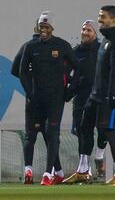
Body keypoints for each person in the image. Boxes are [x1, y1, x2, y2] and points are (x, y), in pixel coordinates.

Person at [19, 11, 79, 186]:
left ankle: (47, 174)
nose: (43, 30)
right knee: (31, 135)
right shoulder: (30, 47)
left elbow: (79, 69)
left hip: (55, 100)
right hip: (35, 100)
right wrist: (30, 93)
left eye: (46, 27)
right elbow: (21, 71)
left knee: (52, 135)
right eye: (41, 26)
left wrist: (69, 92)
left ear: (52, 28)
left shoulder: (62, 46)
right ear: (37, 28)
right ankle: (28, 171)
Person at [11, 19, 63, 185]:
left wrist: (30, 85)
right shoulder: (53, 46)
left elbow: (15, 70)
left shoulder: (27, 46)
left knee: (30, 136)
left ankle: (30, 170)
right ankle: (52, 173)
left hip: (33, 98)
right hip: (49, 97)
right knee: (51, 135)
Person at [86, 5, 115, 186]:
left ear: (114, 19)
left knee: (111, 132)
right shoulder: (105, 40)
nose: (99, 19)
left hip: (109, 98)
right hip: (96, 97)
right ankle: (86, 167)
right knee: (88, 127)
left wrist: (113, 96)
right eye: (99, 16)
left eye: (102, 16)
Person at [63, 20, 107, 184]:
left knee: (104, 132)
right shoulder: (75, 52)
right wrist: (67, 92)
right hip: (81, 100)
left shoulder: (103, 49)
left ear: (95, 33)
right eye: (83, 29)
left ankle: (99, 156)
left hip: (100, 99)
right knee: (83, 135)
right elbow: (65, 75)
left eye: (89, 29)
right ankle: (84, 171)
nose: (85, 32)